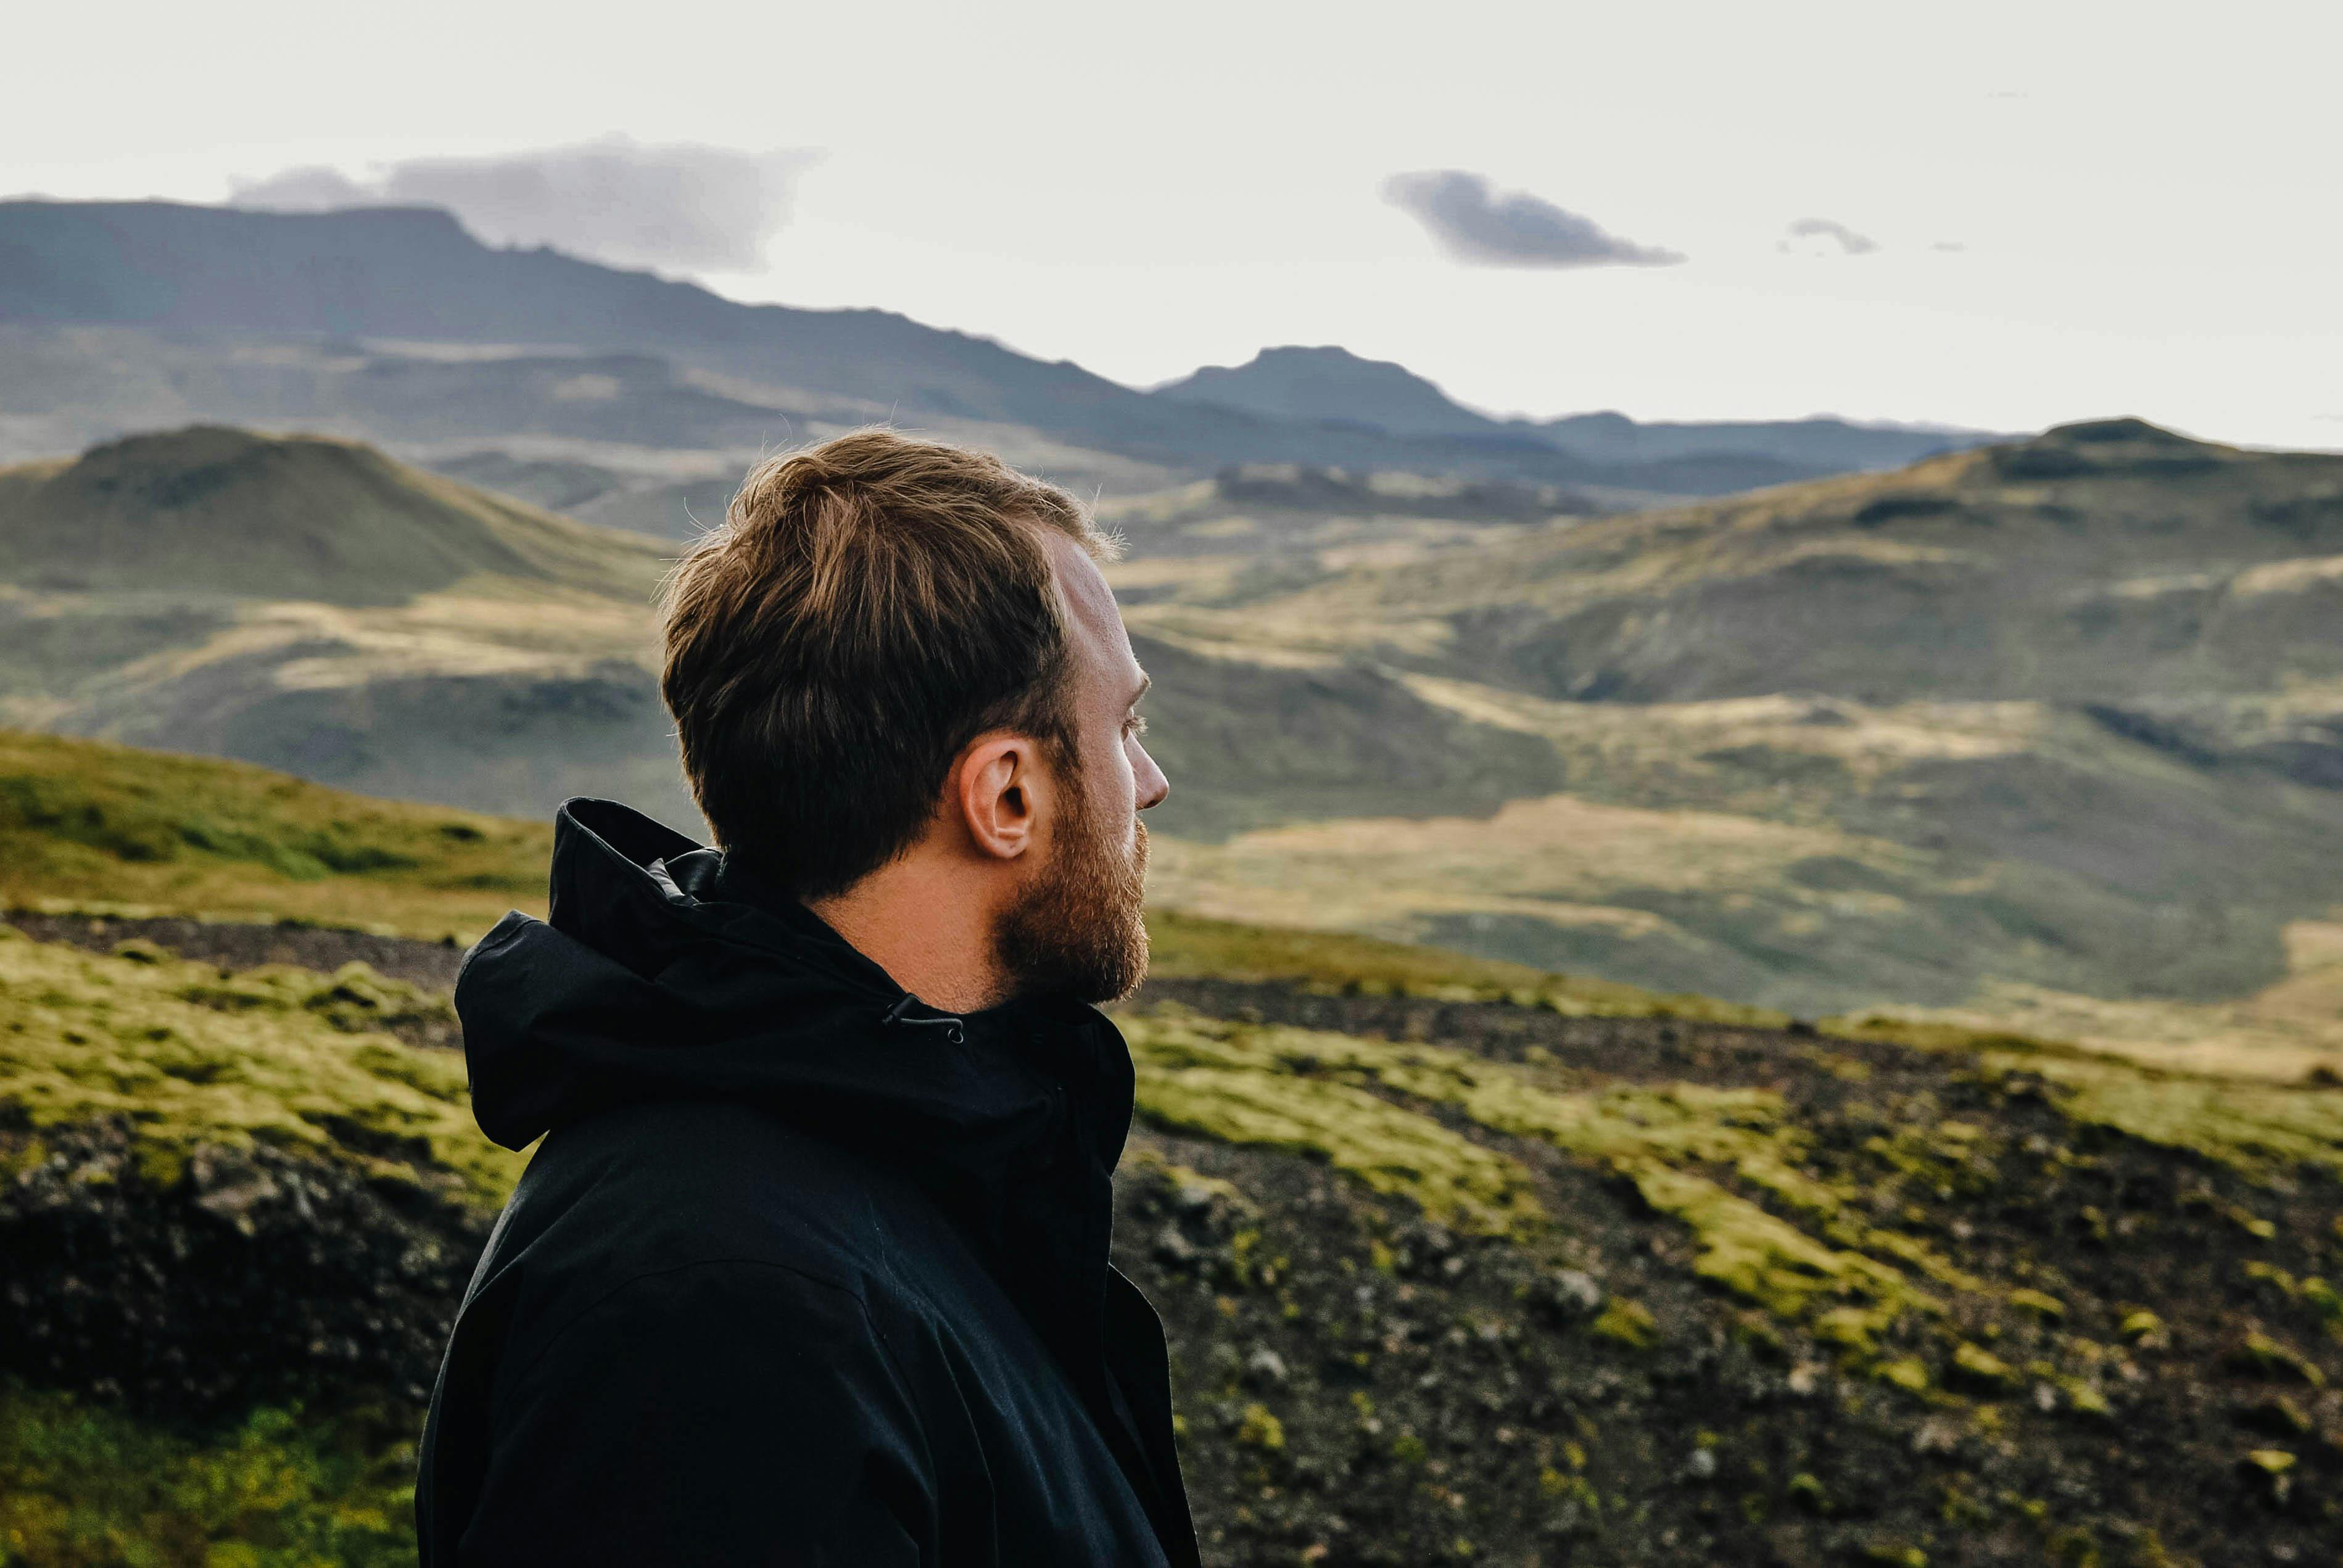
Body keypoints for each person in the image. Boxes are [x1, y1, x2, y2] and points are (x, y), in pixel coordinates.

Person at [414, 431, 1195, 1566]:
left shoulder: (901, 1153)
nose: (1152, 782)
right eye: (1121, 728)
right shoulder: (722, 1317)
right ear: (1006, 794)